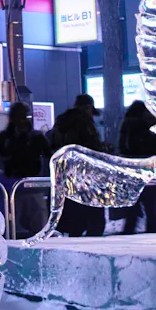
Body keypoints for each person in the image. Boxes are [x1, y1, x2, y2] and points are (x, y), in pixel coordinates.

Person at [49, 96, 106, 236]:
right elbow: (93, 147)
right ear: (87, 108)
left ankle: (75, 236)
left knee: (76, 213)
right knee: (94, 213)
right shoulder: (84, 123)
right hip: (87, 172)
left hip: (67, 172)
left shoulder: (61, 123)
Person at [118, 100, 156, 234]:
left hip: (132, 168)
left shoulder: (127, 124)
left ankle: (129, 229)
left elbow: (122, 147)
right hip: (149, 167)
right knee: (151, 203)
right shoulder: (151, 124)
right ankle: (153, 229)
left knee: (133, 203)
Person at [0, 103, 49, 237]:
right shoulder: (7, 137)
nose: (22, 120)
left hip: (28, 184)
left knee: (32, 222)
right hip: (17, 185)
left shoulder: (34, 136)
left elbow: (47, 154)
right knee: (19, 223)